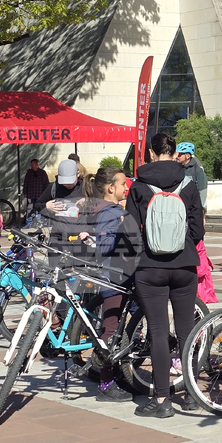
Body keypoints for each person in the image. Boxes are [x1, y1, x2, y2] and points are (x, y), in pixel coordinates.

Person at [125, 133, 204, 417]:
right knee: (186, 330)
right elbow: (198, 230)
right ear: (175, 152)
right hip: (184, 266)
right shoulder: (189, 183)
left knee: (158, 331)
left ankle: (161, 400)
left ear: (150, 153)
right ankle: (192, 395)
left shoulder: (139, 185)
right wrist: (181, 246)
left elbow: (130, 230)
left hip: (150, 267)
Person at [80, 167, 137, 402]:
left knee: (116, 328)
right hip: (113, 277)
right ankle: (106, 383)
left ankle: (110, 372)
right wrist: (123, 228)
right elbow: (104, 246)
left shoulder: (109, 210)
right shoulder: (111, 212)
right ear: (110, 188)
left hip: (116, 276)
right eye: (123, 184)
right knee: (111, 330)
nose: (126, 188)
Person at [176, 142, 208, 208]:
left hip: (192, 209)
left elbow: (202, 192)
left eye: (180, 154)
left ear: (188, 156)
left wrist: (198, 210)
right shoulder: (175, 169)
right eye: (176, 154)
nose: (177, 156)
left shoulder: (197, 170)